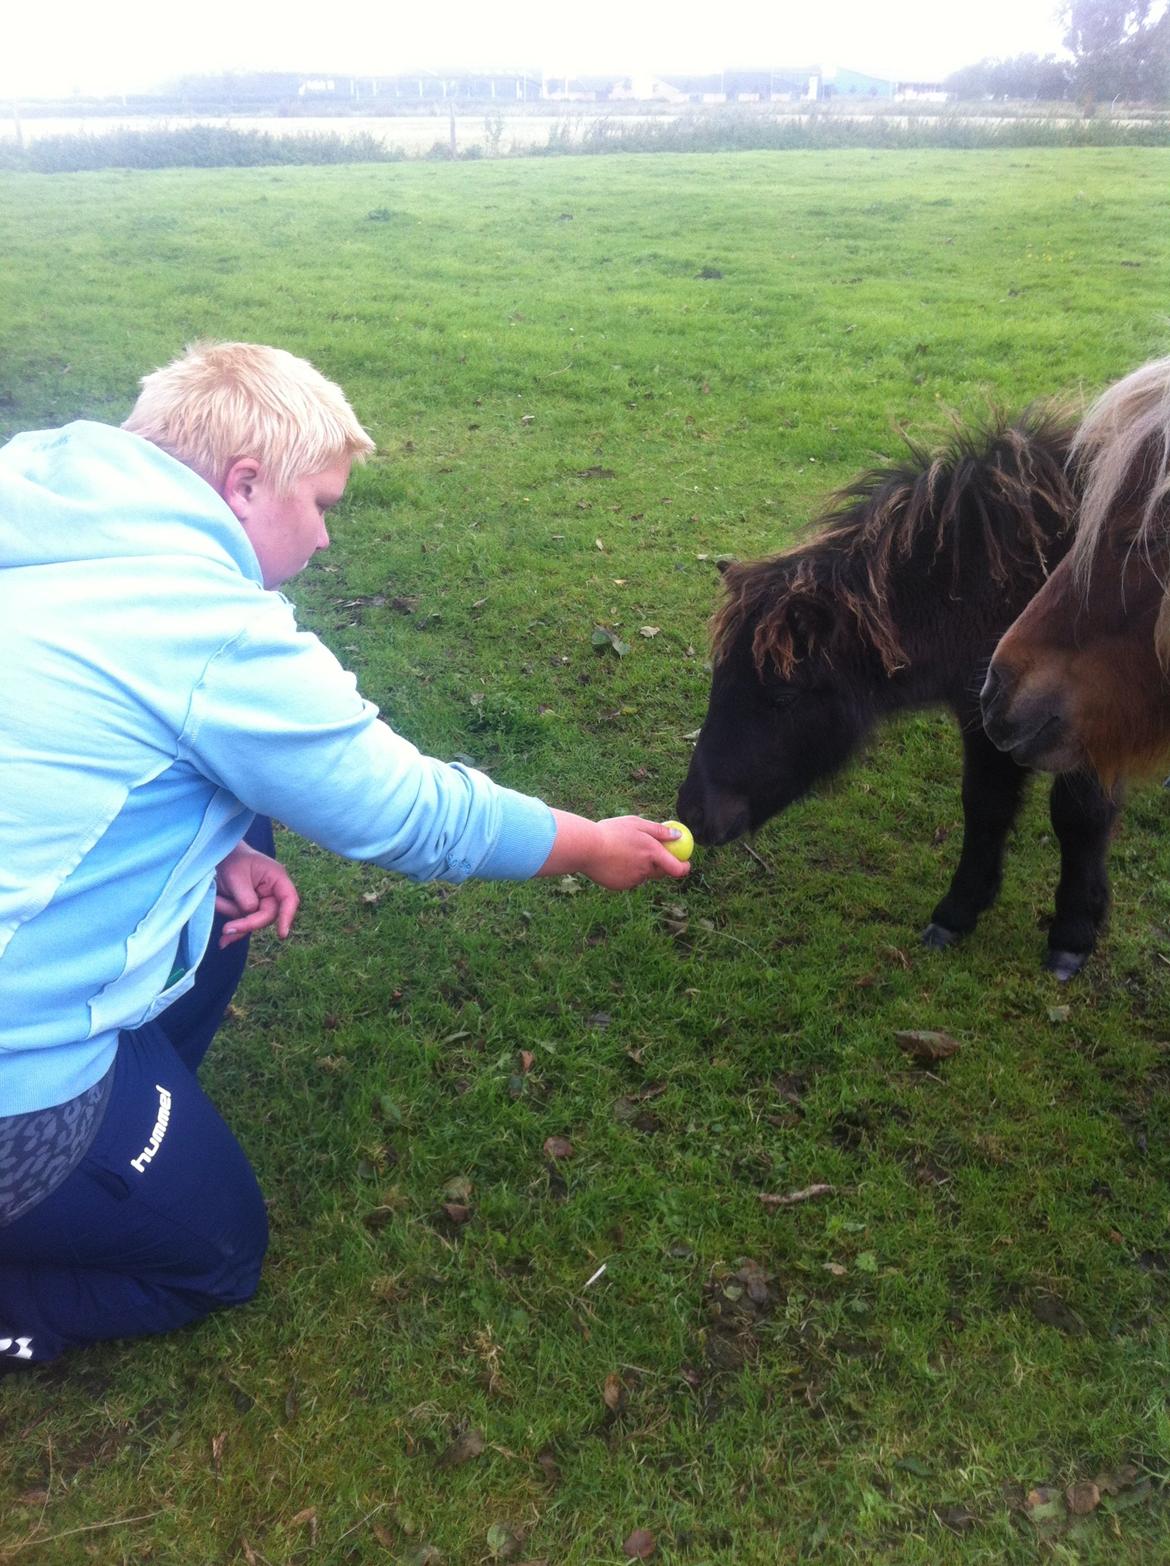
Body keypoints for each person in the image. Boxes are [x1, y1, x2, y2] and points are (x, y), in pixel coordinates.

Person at [0, 342, 688, 1367]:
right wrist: (589, 845)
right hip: (17, 1083)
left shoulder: (35, 509)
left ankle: (124, 1119)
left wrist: (218, 837)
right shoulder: (206, 628)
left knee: (245, 828)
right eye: (320, 504)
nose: (325, 539)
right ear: (243, 485)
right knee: (219, 1250)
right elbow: (409, 811)